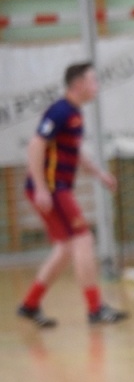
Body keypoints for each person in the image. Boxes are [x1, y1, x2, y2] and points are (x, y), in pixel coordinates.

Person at [16, 62, 127, 328]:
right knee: (84, 240)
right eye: (93, 81)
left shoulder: (74, 113)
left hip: (57, 187)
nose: (97, 85)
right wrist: (41, 187)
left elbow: (74, 152)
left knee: (66, 248)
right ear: (78, 85)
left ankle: (30, 305)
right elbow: (35, 145)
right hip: (53, 189)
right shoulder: (60, 111)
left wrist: (99, 173)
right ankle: (94, 308)